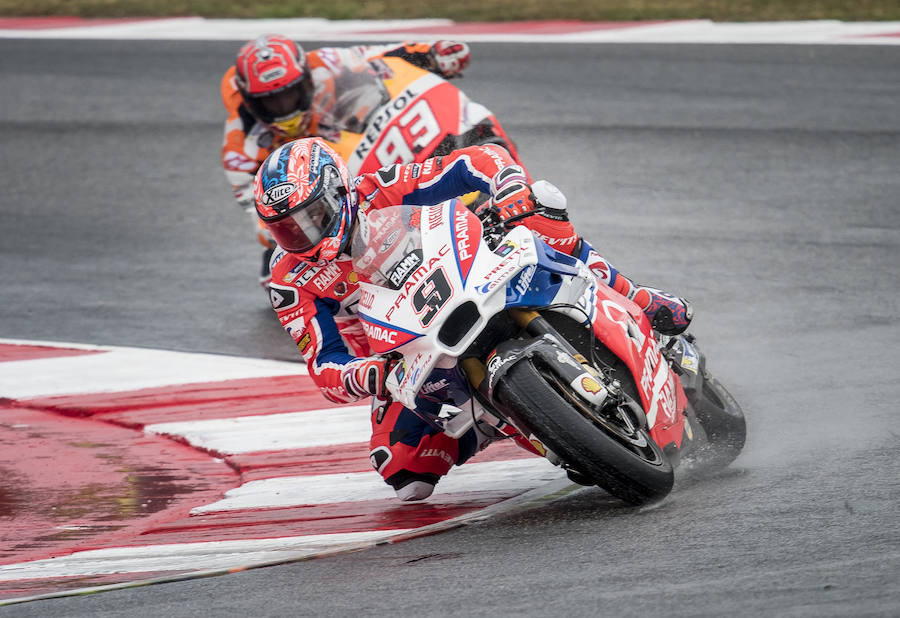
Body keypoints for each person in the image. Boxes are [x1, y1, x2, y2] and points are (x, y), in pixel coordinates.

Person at [254, 137, 692, 501]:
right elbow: (325, 366)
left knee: (538, 208)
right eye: (287, 228)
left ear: (338, 192)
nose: (304, 234)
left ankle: (636, 296)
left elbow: (475, 160)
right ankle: (552, 434)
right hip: (401, 349)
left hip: (462, 271)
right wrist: (366, 375)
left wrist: (507, 185)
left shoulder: (378, 189)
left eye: (310, 217)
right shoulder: (289, 278)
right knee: (404, 471)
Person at [221, 34, 472, 285]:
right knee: (284, 264)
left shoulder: (325, 63)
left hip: (344, 149)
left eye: (290, 94)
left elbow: (381, 54)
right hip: (308, 204)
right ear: (249, 101)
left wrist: (432, 54)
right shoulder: (239, 148)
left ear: (307, 78)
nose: (284, 107)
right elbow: (263, 217)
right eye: (270, 102)